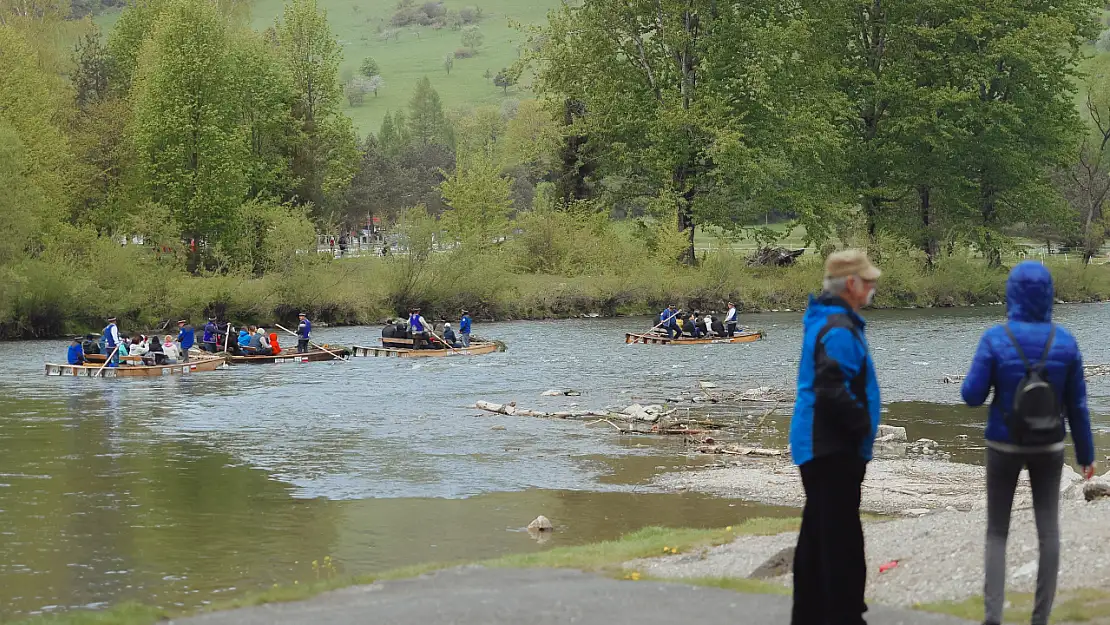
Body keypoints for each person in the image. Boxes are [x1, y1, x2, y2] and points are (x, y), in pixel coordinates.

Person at [960, 261, 1096, 625]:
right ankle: (1040, 618)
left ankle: (993, 617)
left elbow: (971, 396)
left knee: (996, 532)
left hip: (1002, 445)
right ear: (1049, 294)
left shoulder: (995, 338)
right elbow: (1079, 406)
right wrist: (1086, 456)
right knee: (1048, 529)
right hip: (1049, 446)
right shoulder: (1065, 342)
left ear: (1012, 294)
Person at [788, 249, 882, 625]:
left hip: (820, 446)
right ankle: (845, 615)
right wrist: (861, 426)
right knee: (841, 538)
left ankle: (809, 616)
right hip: (832, 448)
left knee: (818, 535)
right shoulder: (839, 328)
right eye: (869, 280)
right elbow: (831, 385)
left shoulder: (830, 320)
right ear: (851, 284)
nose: (874, 286)